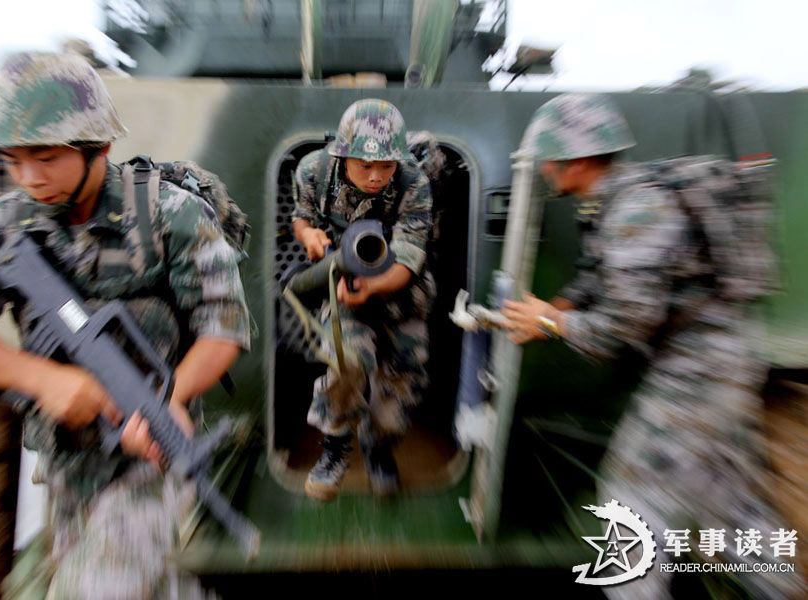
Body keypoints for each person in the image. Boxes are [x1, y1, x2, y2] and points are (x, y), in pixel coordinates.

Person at [0, 52, 250, 599]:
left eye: (45, 157)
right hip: (67, 462)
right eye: (13, 160)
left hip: (149, 452)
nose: (29, 177)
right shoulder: (7, 223)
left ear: (99, 148)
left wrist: (171, 400)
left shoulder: (171, 214)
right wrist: (43, 380)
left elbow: (224, 326)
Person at [501, 92, 804, 599]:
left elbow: (623, 328)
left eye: (551, 160)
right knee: (728, 509)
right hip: (718, 366)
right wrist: (554, 309)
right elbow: (599, 278)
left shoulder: (638, 210)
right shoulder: (612, 200)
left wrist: (551, 324)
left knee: (630, 506)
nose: (547, 171)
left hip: (699, 374)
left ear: (576, 160)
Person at [292, 99, 433, 500]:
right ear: (344, 155)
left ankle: (378, 449)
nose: (375, 177)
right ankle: (335, 448)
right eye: (364, 165)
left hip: (403, 298)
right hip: (342, 293)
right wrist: (309, 237)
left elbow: (408, 256)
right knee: (347, 365)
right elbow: (300, 216)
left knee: (398, 394)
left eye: (385, 167)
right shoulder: (314, 172)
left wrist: (371, 288)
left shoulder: (414, 184)